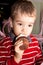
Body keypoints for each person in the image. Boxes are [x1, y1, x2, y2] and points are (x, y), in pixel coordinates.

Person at [0, 0, 43, 65]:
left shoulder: (35, 42)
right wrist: (17, 58)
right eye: (20, 24)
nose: (24, 30)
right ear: (11, 23)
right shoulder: (4, 44)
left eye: (29, 25)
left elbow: (39, 58)